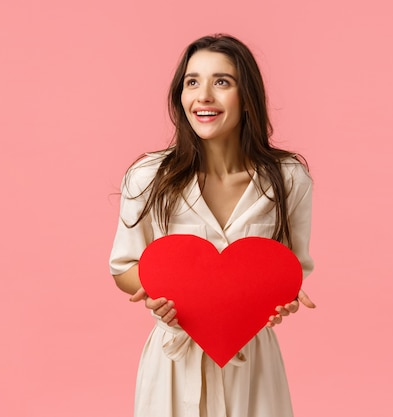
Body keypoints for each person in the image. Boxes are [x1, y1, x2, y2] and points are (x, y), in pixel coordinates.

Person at [109, 34, 315, 417]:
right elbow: (125, 267)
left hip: (253, 364)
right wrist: (160, 294)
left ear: (247, 95)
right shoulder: (147, 176)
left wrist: (281, 299)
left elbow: (291, 267)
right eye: (192, 82)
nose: (203, 95)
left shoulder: (289, 179)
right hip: (173, 365)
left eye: (222, 82)